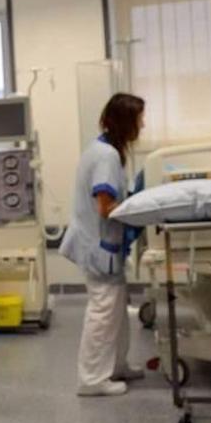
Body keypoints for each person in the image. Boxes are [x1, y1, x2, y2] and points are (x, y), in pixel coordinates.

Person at [60, 92, 146, 397]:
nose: (142, 125)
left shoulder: (105, 149)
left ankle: (116, 366)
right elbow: (106, 207)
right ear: (126, 122)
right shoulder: (106, 156)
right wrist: (138, 205)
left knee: (116, 309)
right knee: (103, 311)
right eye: (138, 119)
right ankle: (92, 379)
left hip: (102, 243)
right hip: (99, 247)